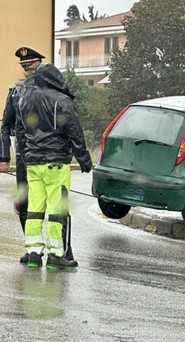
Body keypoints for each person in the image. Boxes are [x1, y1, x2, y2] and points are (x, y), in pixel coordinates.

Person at [16, 60, 92, 270]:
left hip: (33, 162)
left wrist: (25, 156)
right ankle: (57, 254)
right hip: (56, 162)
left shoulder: (24, 99)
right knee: (57, 209)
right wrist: (84, 159)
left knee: (35, 208)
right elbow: (74, 131)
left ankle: (33, 252)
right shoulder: (62, 100)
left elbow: (21, 132)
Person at [1, 47, 45, 264]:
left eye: (31, 66)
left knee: (54, 205)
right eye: (25, 67)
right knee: (24, 203)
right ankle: (32, 248)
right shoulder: (15, 92)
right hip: (24, 157)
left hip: (47, 155)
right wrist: (3, 157)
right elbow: (5, 126)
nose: (28, 70)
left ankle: (61, 251)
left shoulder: (50, 89)